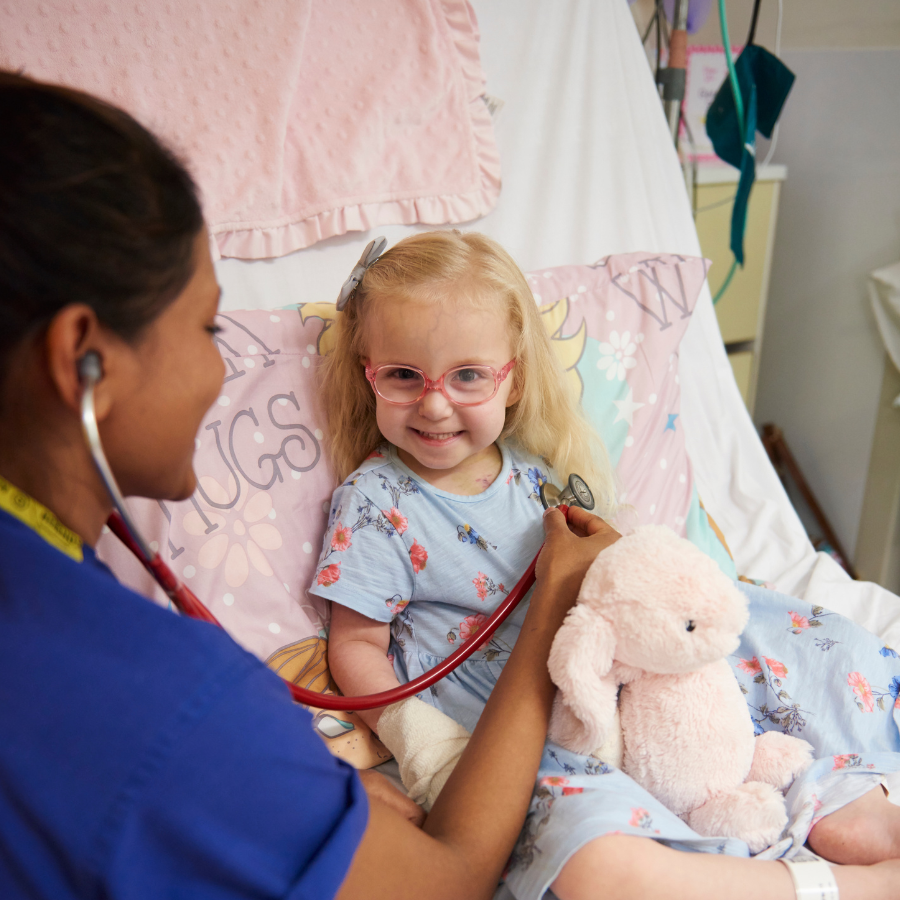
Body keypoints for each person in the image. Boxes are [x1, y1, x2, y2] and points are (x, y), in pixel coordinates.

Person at [0, 71, 621, 900]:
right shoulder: (166, 700)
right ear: (85, 358)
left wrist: (292, 813)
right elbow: (448, 881)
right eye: (205, 326)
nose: (222, 366)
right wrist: (550, 606)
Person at [310, 230, 900, 900]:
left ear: (515, 378)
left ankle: (838, 805)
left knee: (765, 688)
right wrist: (427, 747)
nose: (435, 403)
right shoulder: (375, 504)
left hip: (629, 693)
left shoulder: (536, 476)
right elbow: (356, 644)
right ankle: (835, 886)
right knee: (593, 859)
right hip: (518, 730)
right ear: (368, 373)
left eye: (468, 375)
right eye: (403, 376)